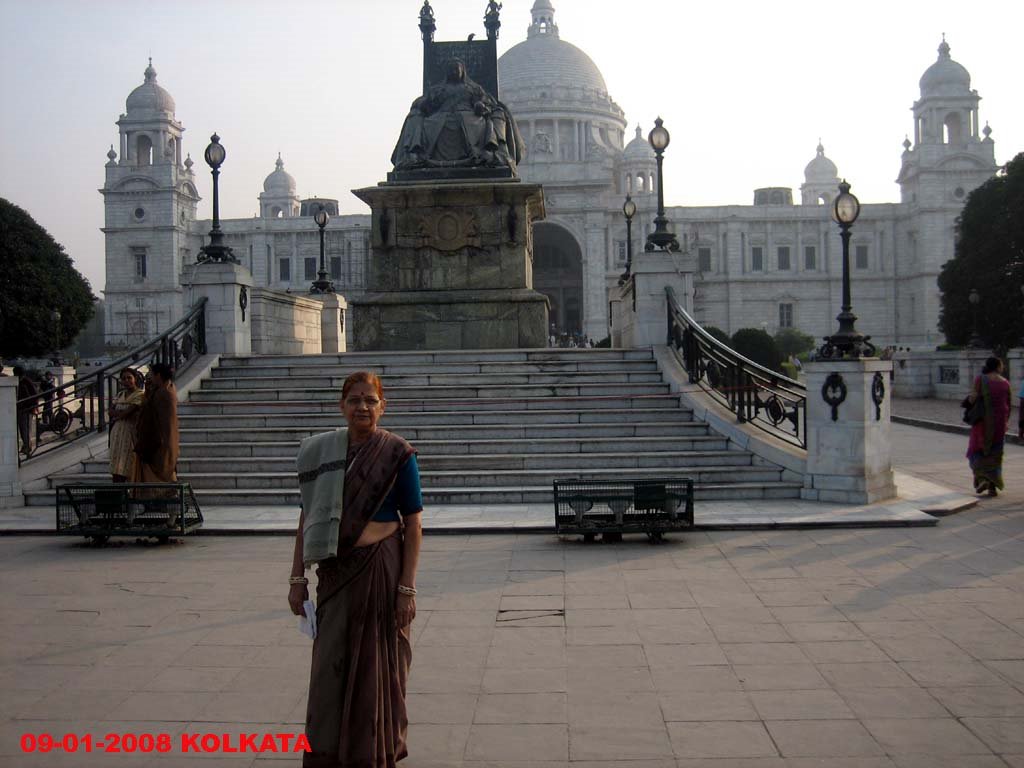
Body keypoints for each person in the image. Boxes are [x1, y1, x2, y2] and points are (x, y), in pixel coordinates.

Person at [289, 371, 423, 768]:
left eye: (370, 400)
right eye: (354, 400)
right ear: (341, 406)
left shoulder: (397, 453)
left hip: (380, 571)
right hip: (333, 575)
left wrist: (407, 589)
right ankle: (328, 754)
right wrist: (297, 578)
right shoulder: (321, 453)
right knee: (329, 668)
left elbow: (413, 524)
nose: (362, 407)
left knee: (376, 667)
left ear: (383, 406)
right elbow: (306, 517)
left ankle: (372, 752)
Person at [391, 58, 522, 173]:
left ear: (462, 71)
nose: (454, 71)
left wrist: (480, 106)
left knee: (495, 116)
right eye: (451, 69)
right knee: (415, 117)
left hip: (468, 117)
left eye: (456, 68)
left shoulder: (473, 88)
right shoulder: (438, 90)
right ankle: (413, 153)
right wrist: (426, 103)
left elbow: (485, 102)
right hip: (441, 117)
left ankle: (494, 152)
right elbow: (422, 104)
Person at [965, 356, 1011, 496]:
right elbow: (1008, 405)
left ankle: (982, 478)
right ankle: (992, 487)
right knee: (995, 454)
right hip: (1000, 423)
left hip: (982, 422)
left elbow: (973, 398)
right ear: (997, 367)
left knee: (976, 450)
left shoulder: (981, 379)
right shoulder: (1005, 383)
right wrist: (1006, 421)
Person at [132, 363, 179, 486]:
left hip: (159, 443)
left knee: (159, 481)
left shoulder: (164, 393)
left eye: (152, 374)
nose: (150, 377)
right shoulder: (163, 389)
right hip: (159, 441)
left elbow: (157, 419)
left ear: (158, 375)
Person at [108, 367, 144, 483]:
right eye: (124, 378)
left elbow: (128, 412)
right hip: (117, 432)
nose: (127, 380)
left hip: (130, 432)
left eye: (129, 378)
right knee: (117, 461)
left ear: (135, 379)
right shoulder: (119, 395)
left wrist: (120, 414)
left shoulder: (140, 394)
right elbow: (110, 412)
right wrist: (121, 414)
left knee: (127, 461)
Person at [14, 366, 38, 457]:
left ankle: (27, 447)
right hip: (25, 408)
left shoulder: (24, 382)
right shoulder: (25, 381)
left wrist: (32, 407)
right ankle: (26, 446)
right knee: (25, 429)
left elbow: (33, 395)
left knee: (25, 429)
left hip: (25, 409)